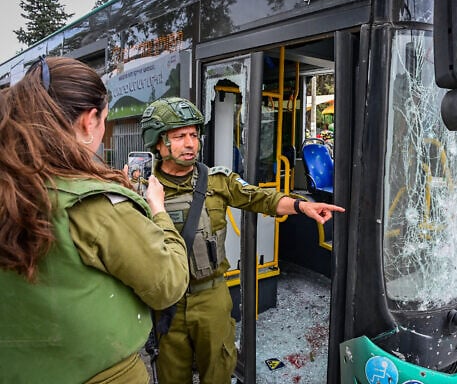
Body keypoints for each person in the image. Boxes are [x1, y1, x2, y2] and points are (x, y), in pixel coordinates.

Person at [0, 57, 190, 384]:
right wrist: (157, 210)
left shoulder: (13, 185)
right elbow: (168, 283)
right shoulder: (94, 204)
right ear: (89, 121)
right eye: (105, 120)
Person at [140, 97, 345, 383]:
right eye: (179, 137)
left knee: (218, 371)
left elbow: (261, 198)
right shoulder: (142, 190)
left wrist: (302, 206)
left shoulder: (216, 181)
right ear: (158, 143)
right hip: (167, 302)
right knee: (171, 375)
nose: (190, 144)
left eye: (193, 135)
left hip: (210, 295)